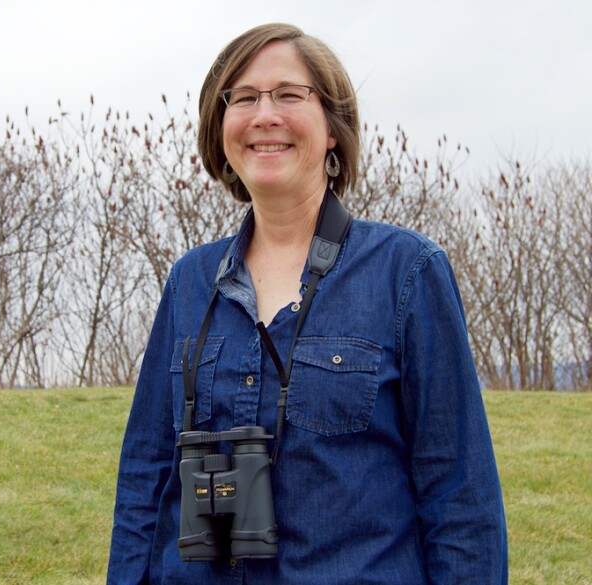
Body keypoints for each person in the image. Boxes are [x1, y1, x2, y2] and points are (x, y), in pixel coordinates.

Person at [107, 22, 508, 584]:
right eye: (242, 98)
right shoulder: (188, 282)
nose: (264, 114)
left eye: (289, 95)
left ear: (334, 129)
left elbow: (460, 496)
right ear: (220, 127)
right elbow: (144, 482)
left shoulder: (407, 271)